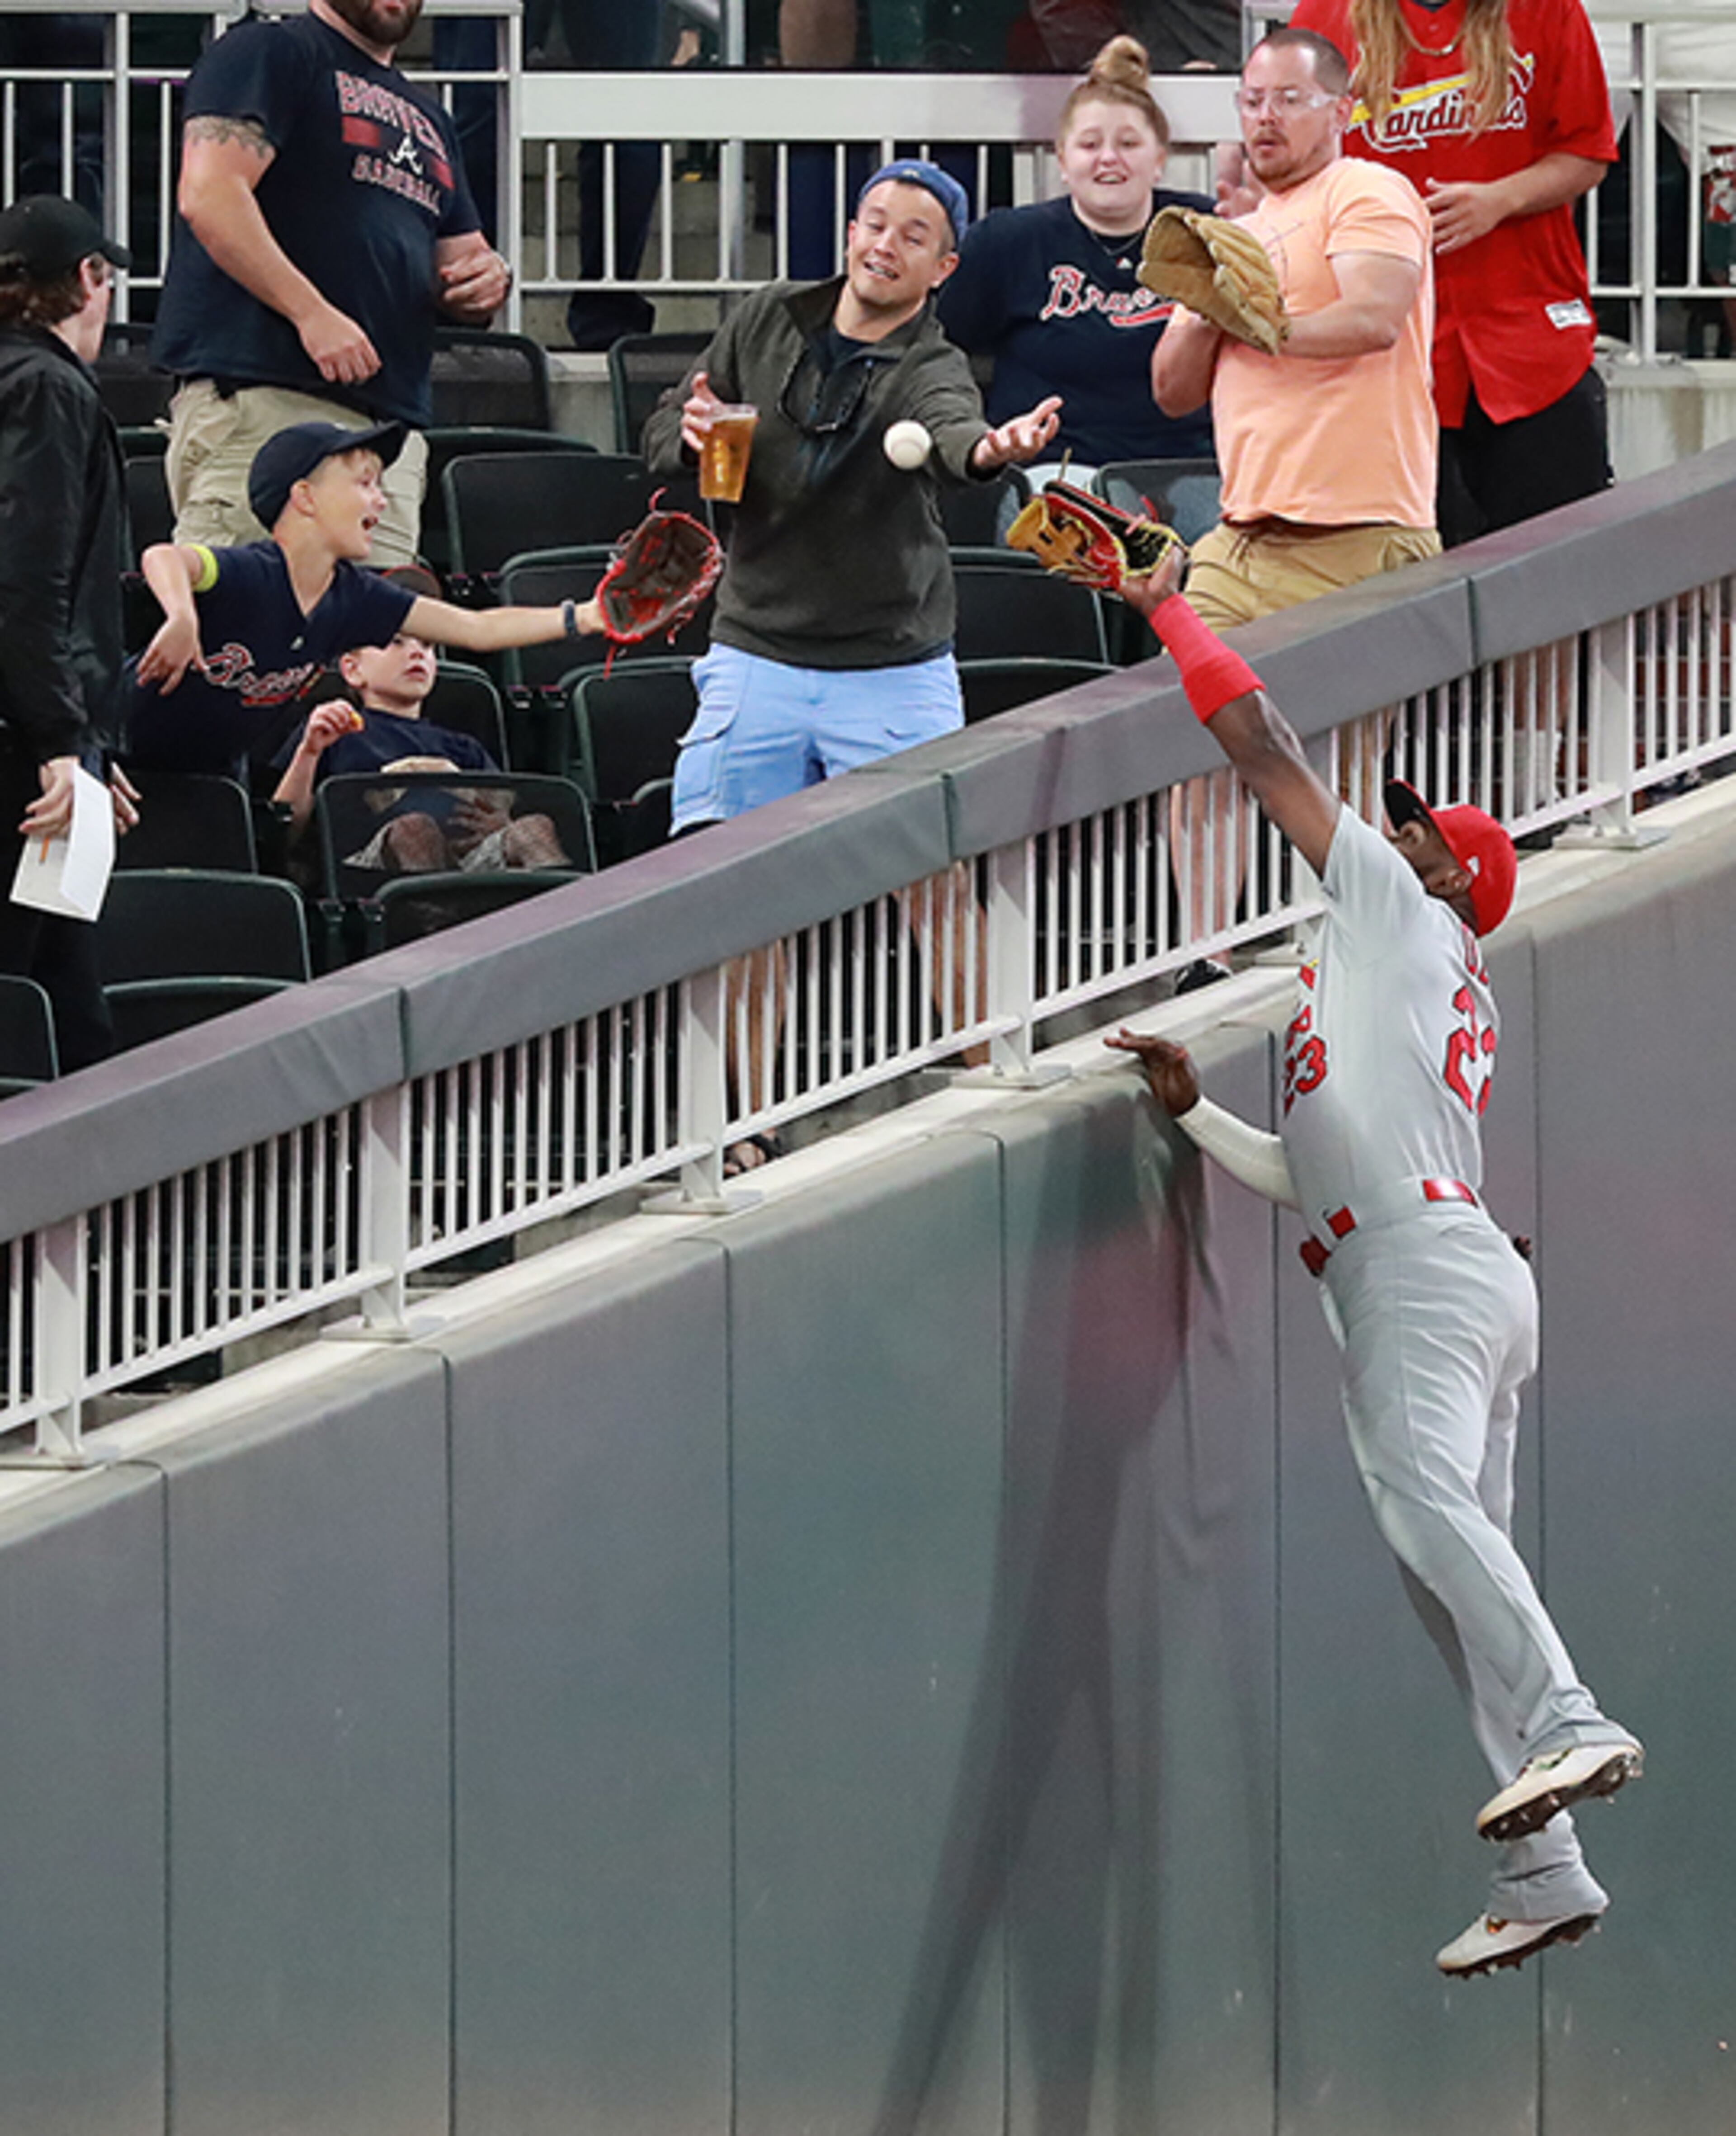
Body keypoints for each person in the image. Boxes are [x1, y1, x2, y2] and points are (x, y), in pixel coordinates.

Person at [1104, 550, 1644, 1980]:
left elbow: (1262, 744)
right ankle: (1543, 1871)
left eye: (1413, 834)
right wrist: (1194, 1114)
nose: (1385, 835)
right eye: (1394, 827)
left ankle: (1571, 1722)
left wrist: (1167, 609)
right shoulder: (1387, 967)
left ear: (1449, 879)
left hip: (1413, 1269)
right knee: (1447, 1567)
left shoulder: (1400, 914)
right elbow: (1306, 1170)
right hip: (1428, 1250)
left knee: (1425, 1518)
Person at [642, 159, 1061, 837]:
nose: (885, 246)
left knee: (935, 885)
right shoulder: (766, 316)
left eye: (913, 237)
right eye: (875, 226)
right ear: (849, 233)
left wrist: (993, 450)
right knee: (725, 881)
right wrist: (689, 437)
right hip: (757, 649)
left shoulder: (935, 366)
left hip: (892, 666)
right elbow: (666, 424)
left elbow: (956, 432)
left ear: (944, 267)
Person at [148, 0, 512, 566]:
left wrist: (490, 279)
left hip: (388, 435)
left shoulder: (429, 117)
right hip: (269, 399)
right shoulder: (269, 50)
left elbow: (464, 255)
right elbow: (210, 194)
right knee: (251, 639)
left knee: (375, 648)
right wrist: (309, 312)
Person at [1288, 0, 1617, 547]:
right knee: (1411, 599)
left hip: (1531, 345)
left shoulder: (1550, 11)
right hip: (1387, 360)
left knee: (1558, 581)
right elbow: (1297, 162)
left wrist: (1501, 199)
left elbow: (1588, 150)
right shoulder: (1324, 16)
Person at [1152, 26, 1439, 627]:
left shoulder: (1366, 188)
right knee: (1182, 710)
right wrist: (1209, 311)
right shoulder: (1232, 234)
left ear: (1340, 111)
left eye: (1289, 99)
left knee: (1336, 723)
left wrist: (1255, 324)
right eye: (1253, 101)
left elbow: (1374, 318)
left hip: (1359, 534)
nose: (1266, 117)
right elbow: (1172, 394)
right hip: (1238, 539)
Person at [127, 420, 604, 780]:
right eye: (363, 484)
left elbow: (476, 630)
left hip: (206, 776)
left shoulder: (354, 596)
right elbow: (163, 557)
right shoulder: (254, 570)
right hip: (113, 751)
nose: (380, 501)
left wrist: (585, 615)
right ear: (305, 498)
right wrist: (183, 617)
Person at [938, 34, 1215, 485]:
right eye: (1089, 145)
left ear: (1159, 160)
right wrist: (977, 435)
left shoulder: (1204, 232)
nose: (1109, 158)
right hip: (1055, 473)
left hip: (1189, 473)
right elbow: (936, 345)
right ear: (1063, 162)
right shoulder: (1010, 241)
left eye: (1129, 144)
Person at [0, 196, 138, 1072]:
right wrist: (62, 741)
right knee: (38, 1008)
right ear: (89, 278)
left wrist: (90, 742)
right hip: (25, 750)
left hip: (45, 734)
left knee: (64, 1005)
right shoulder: (47, 387)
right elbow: (28, 576)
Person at [272, 600, 569, 873]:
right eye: (396, 642)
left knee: (535, 828)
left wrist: (502, 822)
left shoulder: (462, 746)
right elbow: (285, 829)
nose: (417, 653)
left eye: (427, 646)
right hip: (367, 866)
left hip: (467, 860)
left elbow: (502, 810)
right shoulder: (334, 735)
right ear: (353, 669)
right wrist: (309, 752)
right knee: (415, 829)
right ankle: (443, 928)